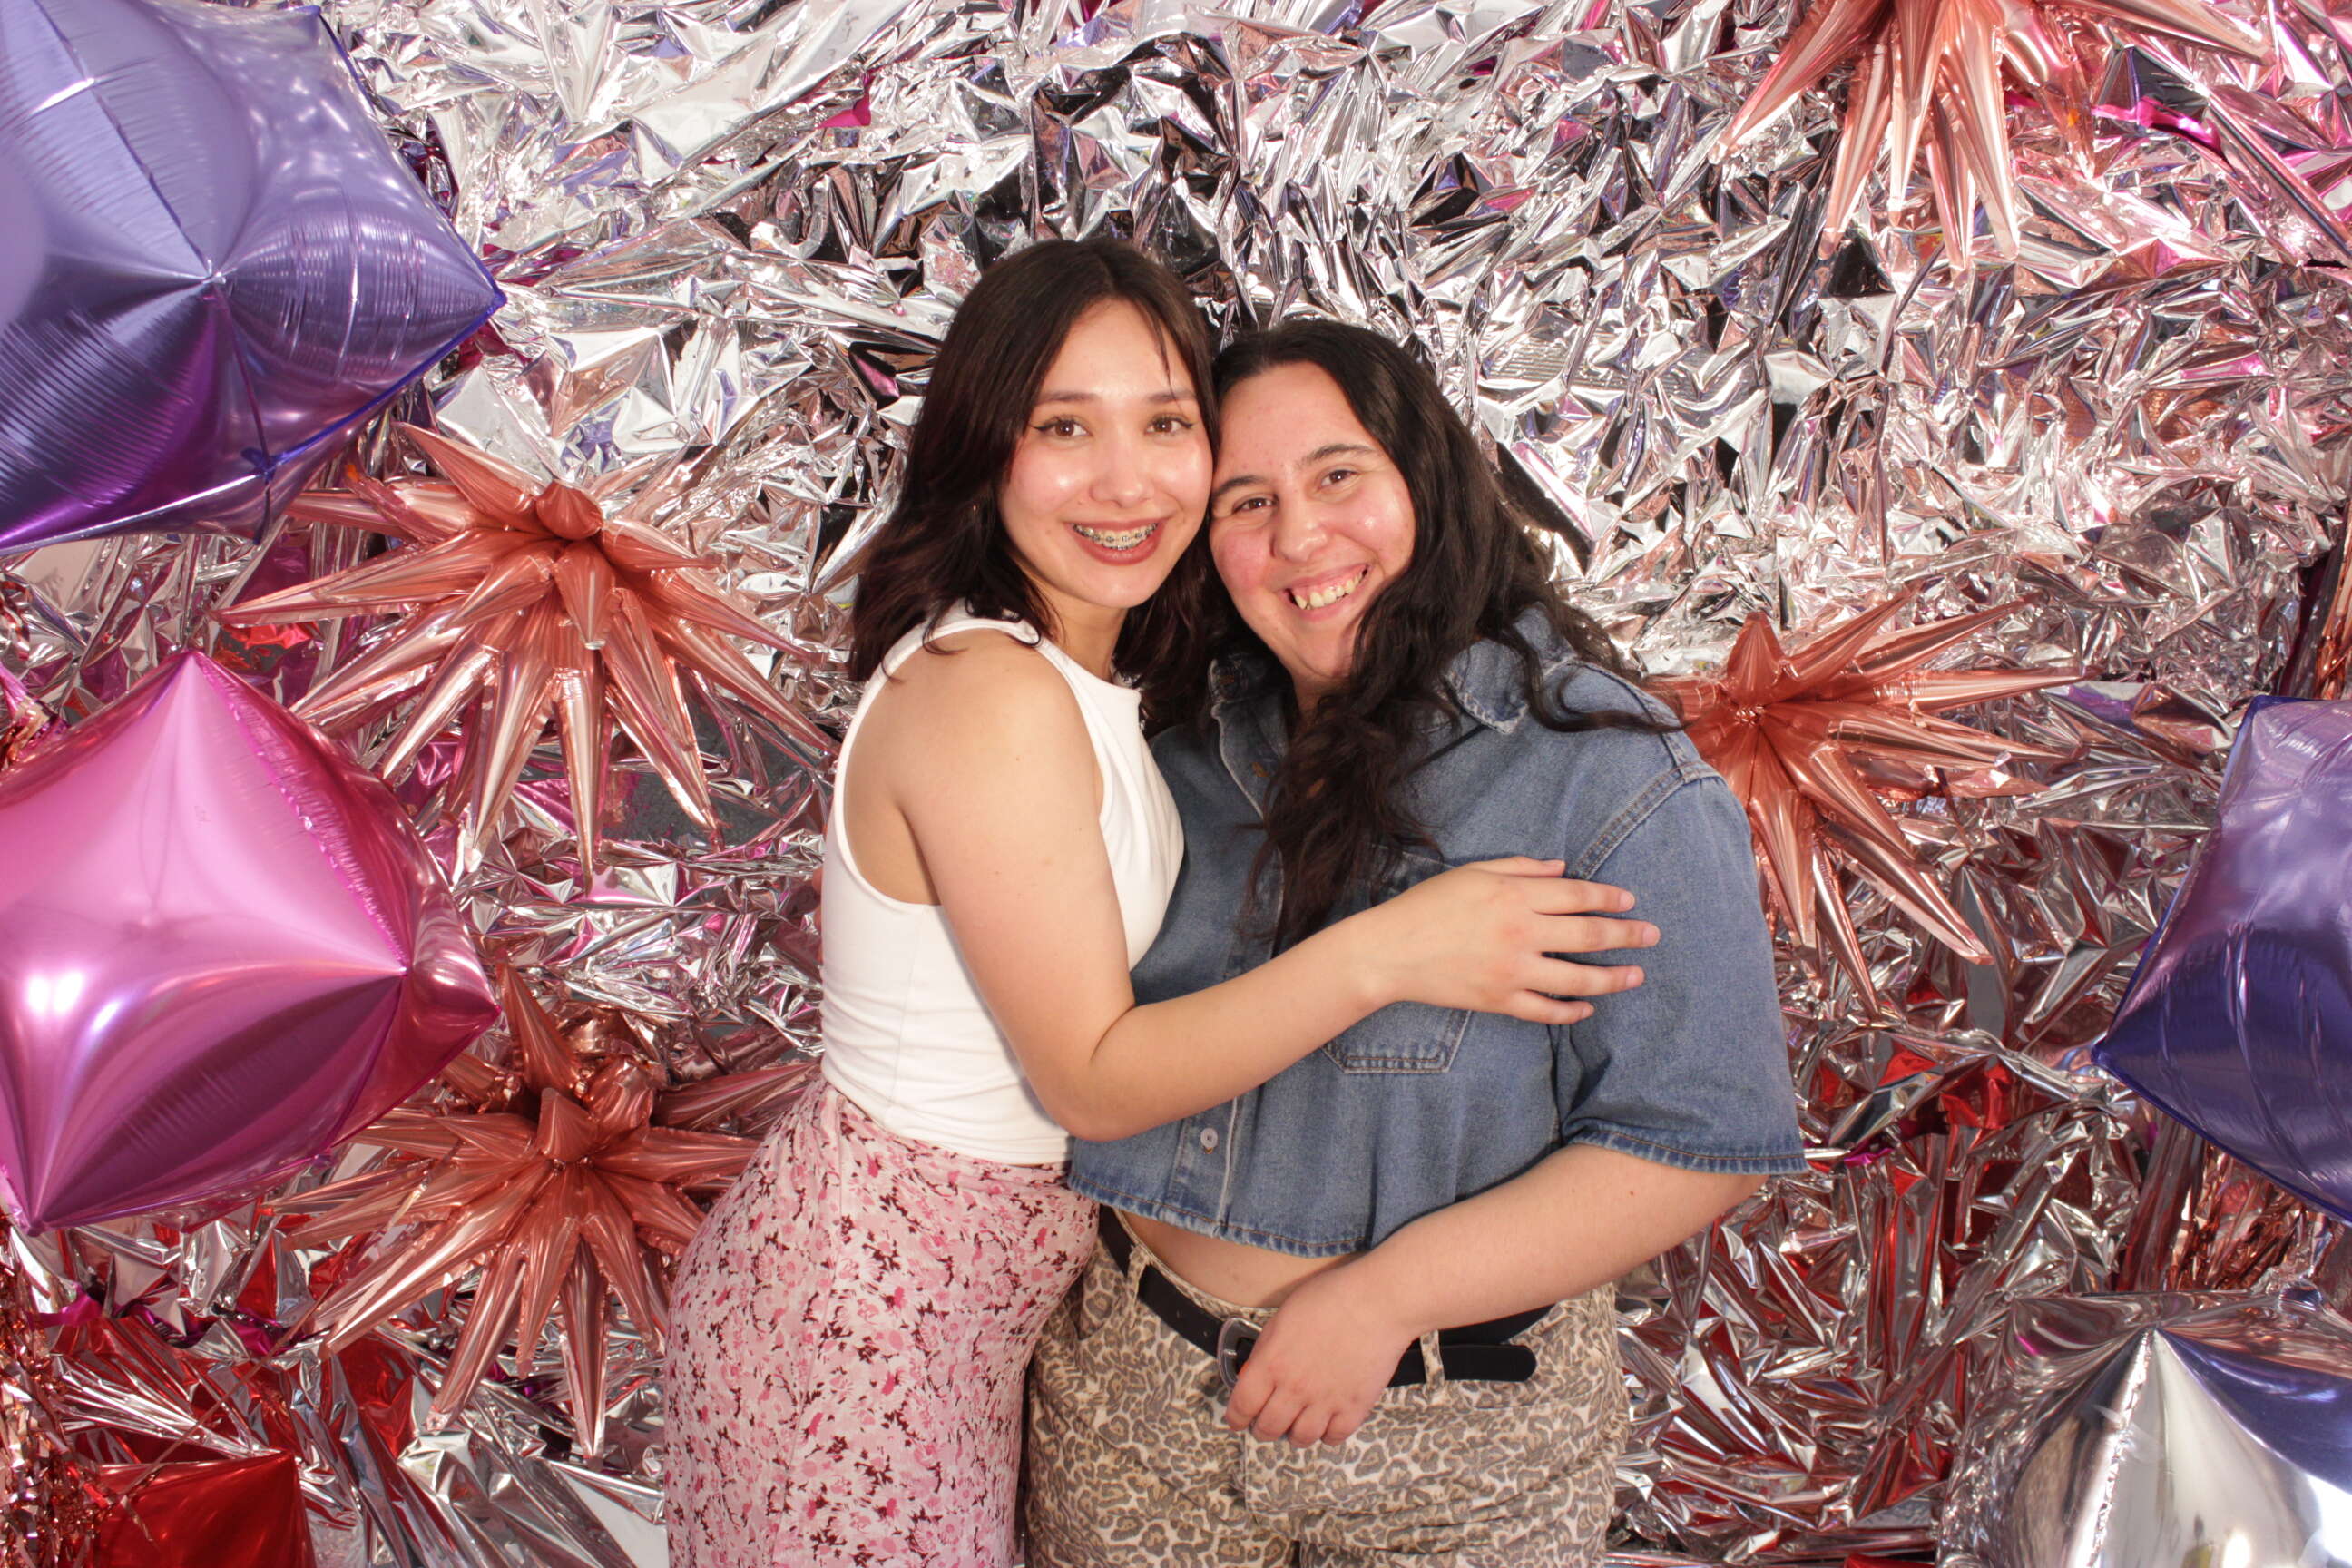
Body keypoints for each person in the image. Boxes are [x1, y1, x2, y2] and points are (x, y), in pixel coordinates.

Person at [662, 243, 1656, 1568]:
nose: (1126, 483)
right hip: (868, 1311)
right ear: (985, 449)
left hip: (969, 1306)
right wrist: (1395, 951)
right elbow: (1094, 1079)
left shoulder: (1099, 679)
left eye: (1167, 424)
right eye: (1064, 428)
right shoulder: (991, 693)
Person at [1027, 318, 1808, 1566]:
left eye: (1338, 475)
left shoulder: (1603, 775)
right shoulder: (1174, 748)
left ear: (1428, 483)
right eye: (1246, 501)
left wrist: (1384, 1298)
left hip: (1451, 1447)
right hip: (1132, 1408)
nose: (1299, 539)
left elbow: (1702, 1141)